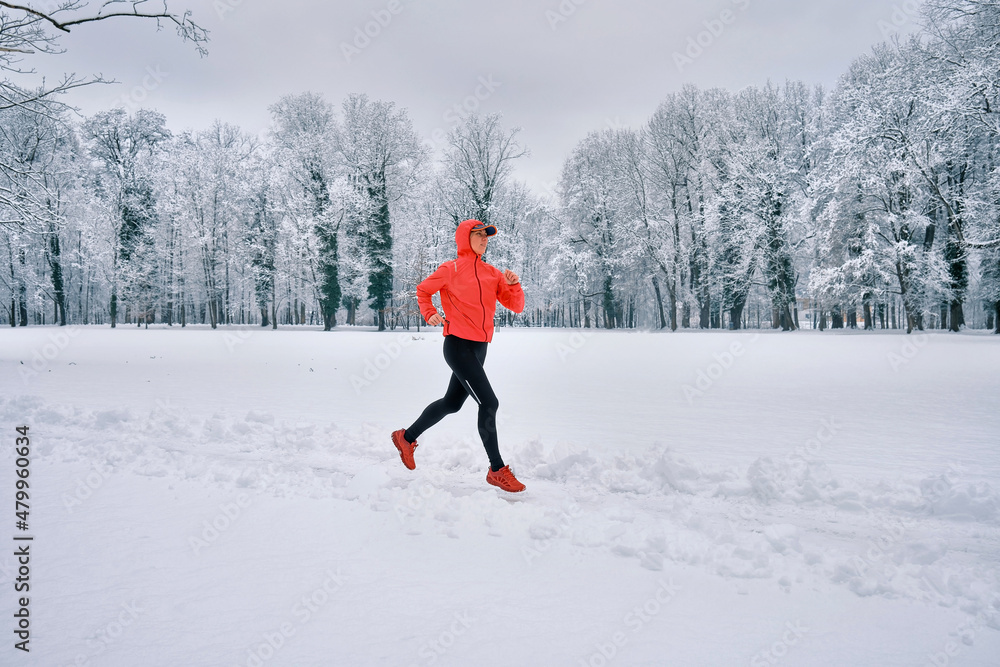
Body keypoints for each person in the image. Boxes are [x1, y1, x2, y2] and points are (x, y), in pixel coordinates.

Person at [391, 219, 526, 492]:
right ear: (465, 238)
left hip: (479, 348)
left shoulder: (492, 273)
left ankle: (406, 438)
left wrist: (513, 285)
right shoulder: (449, 269)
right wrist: (429, 313)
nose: (484, 240)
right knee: (489, 403)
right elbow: (423, 291)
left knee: (452, 403)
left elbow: (517, 306)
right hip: (457, 346)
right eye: (478, 235)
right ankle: (496, 469)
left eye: (487, 237)